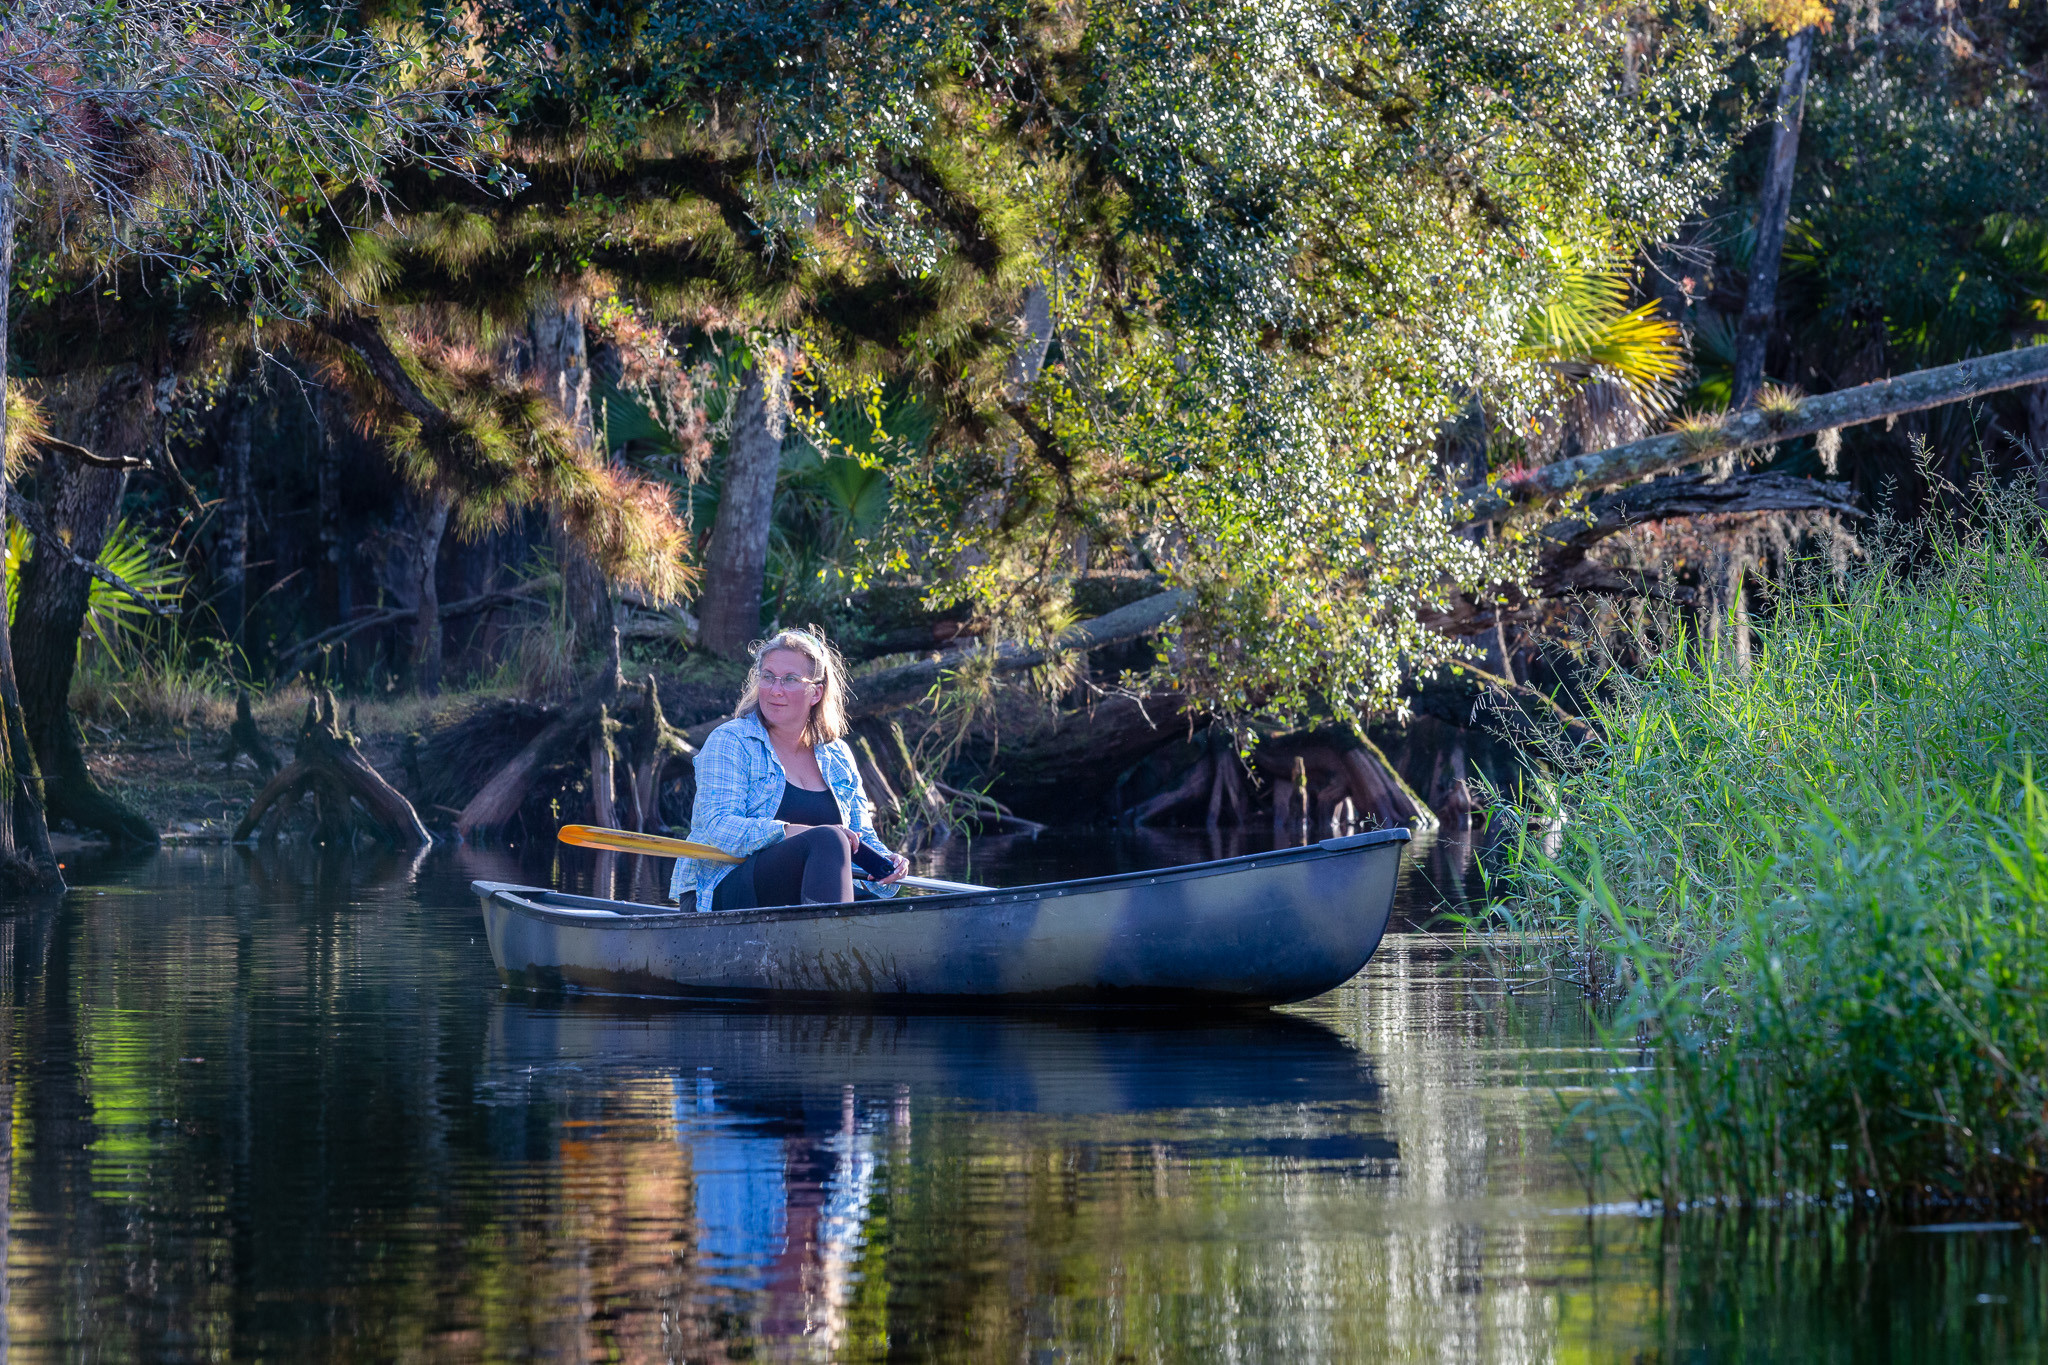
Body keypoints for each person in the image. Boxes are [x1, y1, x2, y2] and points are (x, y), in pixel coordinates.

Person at [670, 627, 908, 910]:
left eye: (790, 679)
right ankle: (833, 949)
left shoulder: (839, 756)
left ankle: (834, 942)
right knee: (828, 838)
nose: (775, 690)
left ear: (816, 692)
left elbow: (860, 837)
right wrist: (792, 831)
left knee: (889, 909)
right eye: (768, 677)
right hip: (725, 889)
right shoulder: (731, 740)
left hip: (805, 896)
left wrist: (887, 862)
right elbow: (719, 827)